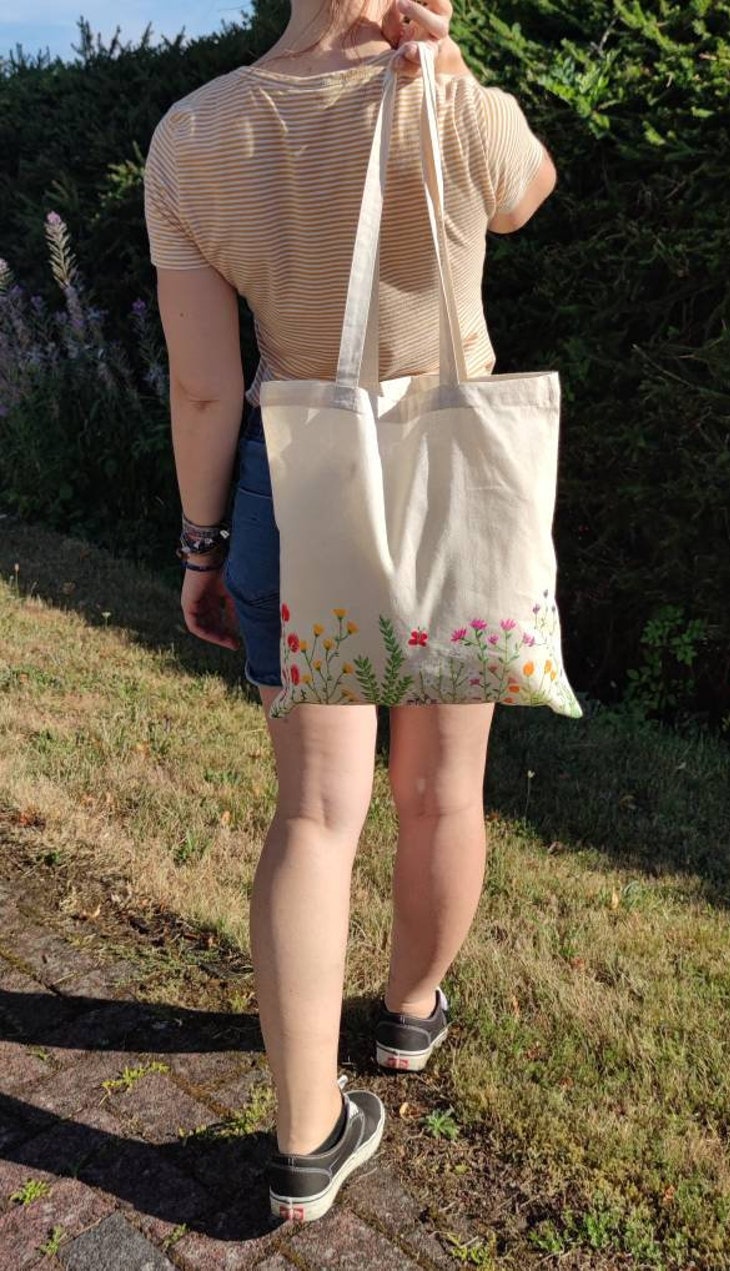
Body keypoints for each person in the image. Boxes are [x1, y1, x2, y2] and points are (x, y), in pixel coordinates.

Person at [144, 0, 557, 1224]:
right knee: (441, 791)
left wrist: (202, 545)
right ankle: (410, 1016)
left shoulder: (195, 132)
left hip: (295, 487)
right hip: (453, 492)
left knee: (315, 813)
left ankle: (305, 1138)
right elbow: (527, 189)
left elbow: (208, 385)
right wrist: (448, 64)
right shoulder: (454, 101)